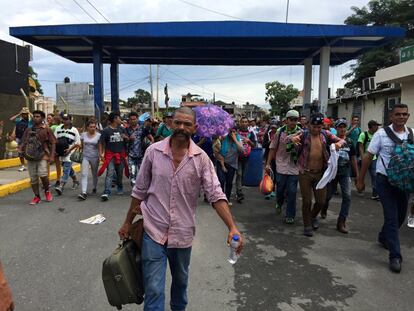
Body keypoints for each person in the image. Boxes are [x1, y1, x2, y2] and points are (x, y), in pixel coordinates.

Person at [118, 107, 244, 311]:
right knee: (154, 290)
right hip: (153, 231)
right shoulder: (153, 151)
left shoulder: (202, 159)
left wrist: (232, 227)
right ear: (170, 124)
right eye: (177, 123)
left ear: (194, 128)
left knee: (180, 284)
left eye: (187, 124)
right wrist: (127, 222)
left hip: (182, 234)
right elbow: (139, 191)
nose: (181, 127)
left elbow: (215, 194)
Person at [356, 103, 412, 273]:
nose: (401, 117)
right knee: (392, 218)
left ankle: (383, 236)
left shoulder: (412, 133)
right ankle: (395, 256)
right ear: (391, 117)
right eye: (398, 114)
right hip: (384, 181)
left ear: (408, 116)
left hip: (404, 183)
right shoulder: (381, 134)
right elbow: (368, 157)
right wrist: (360, 179)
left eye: (404, 114)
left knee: (401, 216)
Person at [290, 113, 344, 237]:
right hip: (305, 172)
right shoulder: (303, 134)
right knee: (307, 201)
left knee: (321, 201)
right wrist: (292, 139)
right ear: (309, 125)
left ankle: (312, 216)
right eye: (314, 126)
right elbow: (287, 138)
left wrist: (339, 144)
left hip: (321, 173)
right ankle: (307, 225)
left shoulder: (325, 134)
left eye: (319, 127)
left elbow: (341, 139)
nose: (316, 129)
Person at [321, 119, 359, 233]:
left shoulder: (350, 142)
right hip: (332, 173)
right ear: (336, 128)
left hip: (345, 173)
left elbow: (353, 158)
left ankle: (341, 221)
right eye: (340, 127)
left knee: (347, 196)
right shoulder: (330, 141)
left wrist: (357, 175)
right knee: (327, 196)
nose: (342, 129)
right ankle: (324, 207)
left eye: (344, 127)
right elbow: (325, 156)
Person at [265, 110, 301, 224]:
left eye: (295, 120)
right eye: (291, 119)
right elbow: (272, 148)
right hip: (280, 165)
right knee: (280, 189)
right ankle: (279, 203)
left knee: (292, 191)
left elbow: (304, 150)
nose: (293, 122)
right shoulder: (280, 132)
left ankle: (290, 215)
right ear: (286, 120)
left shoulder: (301, 133)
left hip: (294, 167)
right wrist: (267, 163)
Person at [20, 110, 56, 205]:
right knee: (33, 178)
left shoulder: (47, 129)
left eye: (38, 116)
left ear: (42, 118)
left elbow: (53, 143)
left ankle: (47, 191)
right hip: (31, 156)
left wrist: (52, 156)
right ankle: (37, 196)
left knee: (43, 174)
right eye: (34, 116)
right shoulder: (28, 129)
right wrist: (21, 150)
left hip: (42, 155)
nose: (35, 118)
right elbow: (23, 142)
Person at [98, 112, 129, 201]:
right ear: (115, 119)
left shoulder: (122, 129)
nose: (121, 120)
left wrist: (126, 138)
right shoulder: (105, 131)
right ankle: (106, 192)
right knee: (110, 173)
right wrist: (100, 153)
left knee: (119, 173)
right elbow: (101, 142)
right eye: (119, 118)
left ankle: (120, 186)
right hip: (110, 156)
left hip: (121, 155)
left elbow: (127, 140)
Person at [54, 114, 81, 195]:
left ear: (70, 120)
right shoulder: (58, 128)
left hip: (70, 152)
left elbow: (78, 143)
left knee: (66, 168)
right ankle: (76, 181)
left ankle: (61, 185)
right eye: (64, 119)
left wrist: (69, 150)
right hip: (60, 152)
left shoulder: (74, 130)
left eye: (67, 119)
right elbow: (54, 139)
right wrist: (55, 150)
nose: (65, 121)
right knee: (68, 167)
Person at [125, 112, 154, 187]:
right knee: (133, 174)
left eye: (134, 119)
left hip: (141, 155)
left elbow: (151, 138)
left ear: (137, 119)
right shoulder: (126, 130)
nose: (133, 121)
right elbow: (124, 141)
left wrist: (150, 146)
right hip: (131, 156)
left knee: (142, 174)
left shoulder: (143, 129)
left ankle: (141, 188)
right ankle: (135, 190)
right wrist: (129, 139)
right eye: (131, 119)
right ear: (129, 120)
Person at [217, 128, 244, 205]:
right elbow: (217, 147)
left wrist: (235, 140)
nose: (232, 133)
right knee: (221, 181)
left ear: (236, 132)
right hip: (221, 162)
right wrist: (221, 139)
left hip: (232, 164)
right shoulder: (224, 137)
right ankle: (221, 198)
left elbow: (242, 150)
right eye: (230, 131)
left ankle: (227, 198)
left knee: (229, 182)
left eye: (234, 132)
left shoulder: (238, 139)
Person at [358, 120, 381, 200]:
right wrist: (362, 156)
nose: (378, 127)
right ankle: (360, 188)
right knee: (362, 175)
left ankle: (375, 194)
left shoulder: (377, 135)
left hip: (373, 159)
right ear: (371, 126)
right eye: (376, 125)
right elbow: (360, 146)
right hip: (364, 159)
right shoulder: (363, 134)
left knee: (374, 176)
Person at [78, 120, 101, 200]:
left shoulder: (98, 136)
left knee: (94, 173)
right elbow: (81, 144)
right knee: (84, 174)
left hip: (95, 157)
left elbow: (100, 146)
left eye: (94, 127)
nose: (93, 128)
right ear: (87, 127)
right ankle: (84, 192)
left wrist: (101, 154)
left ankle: (94, 187)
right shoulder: (83, 135)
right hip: (85, 156)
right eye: (91, 127)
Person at [236, 116, 257, 203]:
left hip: (246, 156)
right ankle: (239, 193)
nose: (244, 123)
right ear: (240, 123)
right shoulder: (236, 132)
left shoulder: (251, 133)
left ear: (248, 123)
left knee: (242, 174)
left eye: (246, 122)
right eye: (243, 122)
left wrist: (249, 141)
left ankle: (239, 188)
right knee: (239, 173)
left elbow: (254, 145)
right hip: (237, 156)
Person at [10, 107, 33, 172]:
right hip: (19, 139)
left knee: (28, 153)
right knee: (20, 153)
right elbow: (11, 119)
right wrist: (19, 114)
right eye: (23, 114)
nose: (24, 115)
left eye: (25, 114)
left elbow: (34, 119)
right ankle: (23, 166)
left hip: (28, 139)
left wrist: (29, 112)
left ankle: (30, 165)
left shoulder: (30, 121)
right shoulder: (18, 120)